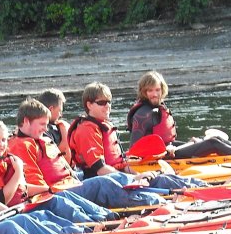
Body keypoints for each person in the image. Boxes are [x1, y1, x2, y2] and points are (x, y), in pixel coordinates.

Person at [0, 114, 109, 234]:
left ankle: (96, 226)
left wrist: (19, 210)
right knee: (33, 217)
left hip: (11, 209)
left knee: (50, 204)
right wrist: (17, 172)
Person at [8, 98, 164, 209]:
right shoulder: (20, 146)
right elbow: (36, 184)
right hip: (57, 194)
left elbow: (64, 163)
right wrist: (53, 190)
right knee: (103, 183)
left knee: (114, 177)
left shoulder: (39, 139)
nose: (45, 129)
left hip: (69, 184)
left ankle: (158, 192)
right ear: (27, 121)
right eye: (42, 124)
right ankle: (156, 202)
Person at [0, 118, 114, 226]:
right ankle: (95, 226)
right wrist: (19, 171)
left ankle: (105, 218)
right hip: (14, 211)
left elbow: (22, 189)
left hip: (26, 202)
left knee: (59, 196)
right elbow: (3, 199)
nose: (1, 144)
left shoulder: (3, 159)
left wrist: (48, 189)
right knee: (57, 203)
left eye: (3, 140)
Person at [68, 83, 205, 193]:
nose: (107, 106)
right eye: (102, 102)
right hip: (102, 184)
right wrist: (135, 178)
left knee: (161, 178)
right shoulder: (86, 130)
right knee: (162, 182)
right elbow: (101, 170)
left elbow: (120, 164)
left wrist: (140, 173)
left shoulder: (101, 125)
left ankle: (203, 186)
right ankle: (201, 189)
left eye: (109, 102)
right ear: (89, 105)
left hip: (116, 178)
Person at [127, 70, 231, 158]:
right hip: (163, 157)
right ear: (144, 92)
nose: (155, 94)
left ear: (162, 89)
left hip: (171, 149)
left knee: (215, 139)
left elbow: (166, 140)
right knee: (213, 144)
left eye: (157, 90)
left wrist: (187, 143)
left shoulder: (157, 108)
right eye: (150, 90)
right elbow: (134, 151)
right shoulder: (142, 115)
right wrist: (164, 150)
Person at [36, 89, 74, 166]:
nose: (61, 115)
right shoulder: (46, 131)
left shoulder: (37, 127)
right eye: (60, 111)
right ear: (50, 109)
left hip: (68, 169)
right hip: (62, 171)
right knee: (104, 178)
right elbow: (52, 158)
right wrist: (64, 136)